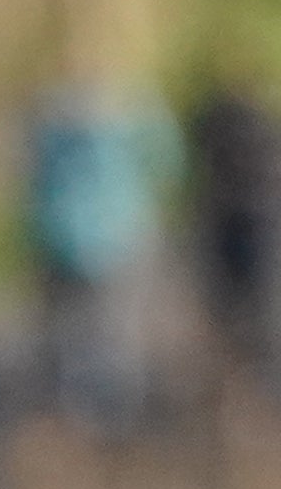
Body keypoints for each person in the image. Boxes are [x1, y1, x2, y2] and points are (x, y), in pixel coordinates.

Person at [19, 82, 177, 432]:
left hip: (58, 238)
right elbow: (168, 164)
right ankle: (111, 420)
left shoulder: (46, 118)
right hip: (120, 239)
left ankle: (70, 418)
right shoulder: (135, 113)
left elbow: (25, 173)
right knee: (115, 332)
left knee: (65, 333)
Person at [181, 63, 281, 391]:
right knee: (253, 311)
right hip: (251, 228)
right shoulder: (263, 125)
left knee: (231, 312)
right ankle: (248, 382)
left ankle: (237, 382)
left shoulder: (209, 122)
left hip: (228, 228)